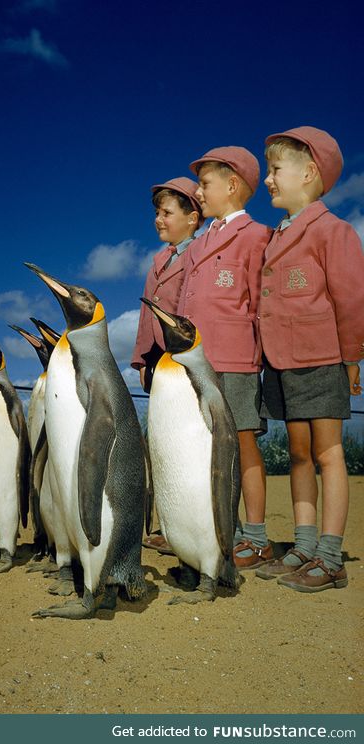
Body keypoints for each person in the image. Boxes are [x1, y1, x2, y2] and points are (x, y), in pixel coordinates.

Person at [255, 126, 364, 592]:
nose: (268, 180)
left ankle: (330, 554)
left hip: (321, 357)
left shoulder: (333, 231)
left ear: (310, 172)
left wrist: (353, 357)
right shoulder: (275, 237)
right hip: (280, 362)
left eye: (275, 170)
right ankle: (302, 545)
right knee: (298, 454)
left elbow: (352, 299)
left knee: (328, 453)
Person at [177, 146, 272, 570]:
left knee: (243, 443)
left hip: (236, 361)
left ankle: (255, 537)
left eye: (205, 184)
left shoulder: (257, 236)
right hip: (194, 363)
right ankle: (218, 530)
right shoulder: (197, 246)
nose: (198, 191)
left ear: (232, 185)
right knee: (202, 447)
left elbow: (263, 303)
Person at [132, 176, 203, 554]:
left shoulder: (200, 255)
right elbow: (147, 315)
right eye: (157, 213)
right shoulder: (158, 260)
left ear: (193, 218)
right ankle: (168, 524)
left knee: (188, 444)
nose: (159, 219)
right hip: (159, 363)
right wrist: (141, 357)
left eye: (167, 212)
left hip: (184, 359)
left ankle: (194, 525)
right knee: (161, 444)